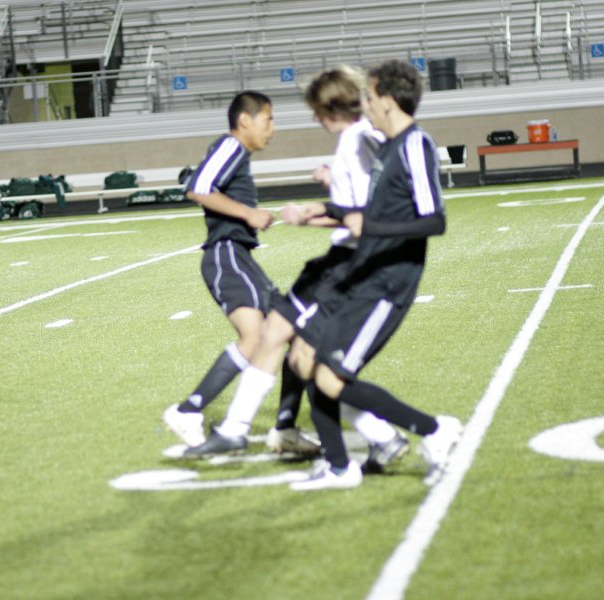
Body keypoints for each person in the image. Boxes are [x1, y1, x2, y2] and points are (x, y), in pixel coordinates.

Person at [183, 67, 410, 470]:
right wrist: (320, 205)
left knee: (308, 358)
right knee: (287, 342)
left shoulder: (362, 136)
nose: (310, 118)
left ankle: (402, 432)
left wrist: (320, 209)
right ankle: (246, 428)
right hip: (344, 260)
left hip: (349, 264)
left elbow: (369, 204)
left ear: (330, 106)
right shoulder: (353, 141)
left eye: (315, 109)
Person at [278, 60, 462, 490]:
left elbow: (434, 220)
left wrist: (368, 226)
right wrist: (319, 212)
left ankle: (435, 431)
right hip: (365, 273)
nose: (365, 105)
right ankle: (341, 468)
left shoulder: (416, 144)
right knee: (315, 367)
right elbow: (365, 211)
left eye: (370, 97)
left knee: (329, 375)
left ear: (389, 100)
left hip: (390, 279)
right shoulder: (391, 146)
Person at [160, 91, 320, 458]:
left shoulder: (238, 155)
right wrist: (248, 215)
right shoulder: (231, 146)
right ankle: (187, 410)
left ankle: (285, 429)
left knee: (292, 331)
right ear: (245, 120)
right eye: (269, 119)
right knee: (257, 337)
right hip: (226, 256)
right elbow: (197, 188)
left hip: (240, 258)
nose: (273, 129)